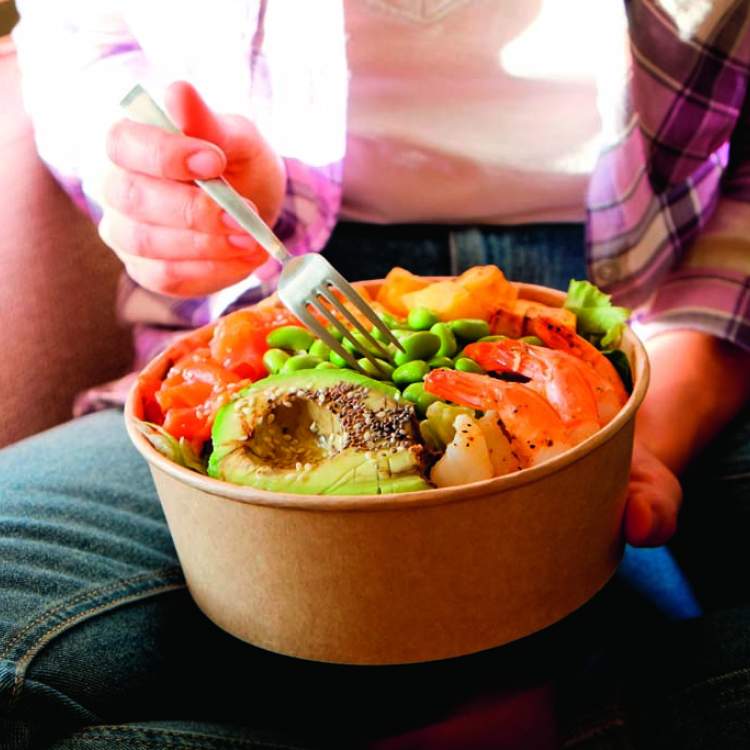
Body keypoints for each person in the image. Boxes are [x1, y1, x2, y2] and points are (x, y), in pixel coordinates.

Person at [2, 1, 749, 748]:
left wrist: (651, 421)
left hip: (662, 313)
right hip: (275, 292)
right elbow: (84, 39)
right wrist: (154, 182)